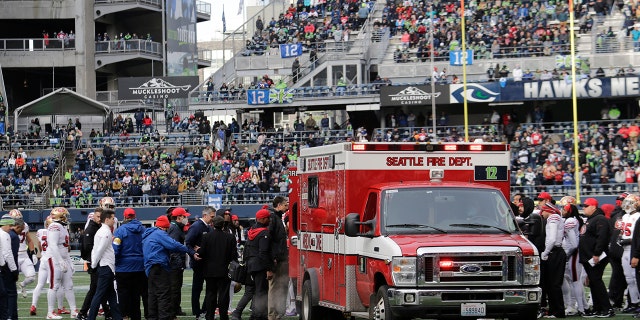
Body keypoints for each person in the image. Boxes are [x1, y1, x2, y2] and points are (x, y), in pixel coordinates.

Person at [142, 215, 198, 320]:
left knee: (152, 294)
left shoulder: (148, 234)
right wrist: (189, 250)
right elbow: (174, 245)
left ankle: (152, 317)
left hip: (149, 268)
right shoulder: (160, 234)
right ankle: (164, 317)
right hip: (159, 266)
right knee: (164, 294)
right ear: (165, 227)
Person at [196, 215, 238, 320]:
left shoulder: (206, 237)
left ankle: (210, 316)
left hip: (209, 271)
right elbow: (234, 256)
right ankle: (224, 316)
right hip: (224, 270)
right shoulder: (230, 237)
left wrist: (198, 250)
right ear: (223, 224)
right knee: (224, 295)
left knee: (210, 294)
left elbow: (202, 253)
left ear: (212, 224)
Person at [76, 203, 113, 320]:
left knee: (100, 289)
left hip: (97, 262)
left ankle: (107, 313)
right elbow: (88, 247)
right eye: (97, 216)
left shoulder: (98, 228)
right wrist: (93, 262)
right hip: (95, 262)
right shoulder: (91, 229)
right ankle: (83, 313)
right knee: (95, 290)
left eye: (100, 216)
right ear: (93, 217)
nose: (99, 218)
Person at [579, 198, 615, 317]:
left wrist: (596, 253)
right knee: (593, 283)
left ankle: (607, 309)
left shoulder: (600, 219)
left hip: (595, 257)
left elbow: (602, 238)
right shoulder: (591, 219)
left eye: (586, 206)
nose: (583, 207)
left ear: (593, 207)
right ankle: (597, 308)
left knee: (597, 282)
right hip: (589, 257)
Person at [113, 208, 148, 320]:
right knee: (136, 295)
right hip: (140, 267)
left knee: (123, 295)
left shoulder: (120, 230)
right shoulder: (143, 230)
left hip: (123, 268)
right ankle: (136, 316)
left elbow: (116, 249)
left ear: (125, 217)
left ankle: (124, 316)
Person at [88, 209, 122, 320]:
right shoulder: (105, 232)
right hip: (106, 267)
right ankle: (90, 317)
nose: (114, 221)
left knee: (111, 296)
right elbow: (99, 250)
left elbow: (95, 250)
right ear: (107, 219)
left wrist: (94, 264)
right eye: (112, 219)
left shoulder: (103, 231)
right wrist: (93, 265)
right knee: (98, 295)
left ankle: (118, 317)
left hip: (106, 267)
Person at [46, 207, 78, 320]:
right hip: (55, 259)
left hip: (63, 258)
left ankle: (74, 311)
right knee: (54, 286)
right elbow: (53, 245)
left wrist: (69, 261)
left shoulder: (62, 227)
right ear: (60, 216)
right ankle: (50, 313)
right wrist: (60, 261)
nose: (66, 217)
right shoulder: (54, 226)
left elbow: (65, 247)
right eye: (65, 215)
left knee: (69, 286)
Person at [185, 207, 214, 319]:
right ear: (205, 215)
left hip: (207, 262)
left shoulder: (208, 227)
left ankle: (204, 309)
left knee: (210, 287)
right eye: (212, 216)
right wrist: (193, 253)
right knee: (198, 287)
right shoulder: (196, 226)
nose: (213, 219)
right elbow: (188, 243)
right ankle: (197, 311)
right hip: (199, 262)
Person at [559, 197, 586, 316]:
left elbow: (574, 244)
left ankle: (581, 308)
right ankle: (582, 306)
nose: (562, 210)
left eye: (563, 208)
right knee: (575, 281)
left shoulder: (570, 220)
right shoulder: (573, 220)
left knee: (575, 281)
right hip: (573, 253)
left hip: (573, 253)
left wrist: (567, 255)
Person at [539, 202, 566, 318]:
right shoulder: (555, 218)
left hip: (554, 252)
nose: (542, 213)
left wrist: (545, 252)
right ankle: (554, 310)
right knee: (551, 284)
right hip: (555, 252)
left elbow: (552, 239)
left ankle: (558, 311)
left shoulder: (553, 218)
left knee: (554, 284)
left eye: (543, 211)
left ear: (548, 211)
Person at [245, 206, 272, 320]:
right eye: (268, 218)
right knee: (262, 291)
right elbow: (263, 252)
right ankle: (259, 315)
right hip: (260, 266)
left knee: (256, 291)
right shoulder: (264, 233)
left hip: (251, 264)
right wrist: (269, 269)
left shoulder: (252, 230)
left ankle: (256, 313)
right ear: (263, 219)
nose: (269, 220)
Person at [267, 196, 289, 320]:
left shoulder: (277, 218)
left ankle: (277, 313)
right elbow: (269, 239)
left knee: (280, 286)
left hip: (280, 258)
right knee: (274, 287)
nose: (286, 207)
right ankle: (272, 315)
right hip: (276, 259)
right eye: (285, 205)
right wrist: (272, 258)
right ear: (279, 205)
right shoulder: (273, 218)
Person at [167, 207, 190, 318]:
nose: (186, 218)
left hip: (176, 262)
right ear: (179, 217)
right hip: (175, 264)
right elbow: (173, 247)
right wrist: (178, 262)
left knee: (176, 288)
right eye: (184, 216)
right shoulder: (175, 229)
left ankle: (176, 308)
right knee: (174, 288)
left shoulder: (176, 227)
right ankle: (173, 311)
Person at [619, 194, 640, 313]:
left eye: (629, 202)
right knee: (629, 279)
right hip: (625, 250)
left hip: (634, 249)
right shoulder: (625, 216)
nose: (626, 205)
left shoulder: (638, 216)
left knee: (636, 278)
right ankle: (634, 303)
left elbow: (637, 236)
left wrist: (629, 240)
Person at [8, 209, 36, 300]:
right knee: (10, 282)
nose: (19, 222)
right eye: (17, 220)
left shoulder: (25, 226)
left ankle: (23, 285)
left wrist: (33, 253)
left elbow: (30, 240)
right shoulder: (6, 229)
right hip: (12, 256)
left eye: (20, 219)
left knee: (32, 277)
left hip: (24, 255)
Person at [608, 192, 628, 309]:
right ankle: (616, 299)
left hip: (620, 248)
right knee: (619, 276)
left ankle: (618, 299)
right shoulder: (617, 214)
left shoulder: (616, 214)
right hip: (619, 249)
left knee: (622, 276)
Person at [2, 214, 19, 320]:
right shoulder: (6, 235)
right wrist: (14, 270)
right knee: (10, 293)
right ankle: (10, 316)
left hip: (3, 266)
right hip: (5, 268)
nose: (11, 227)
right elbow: (8, 253)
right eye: (10, 225)